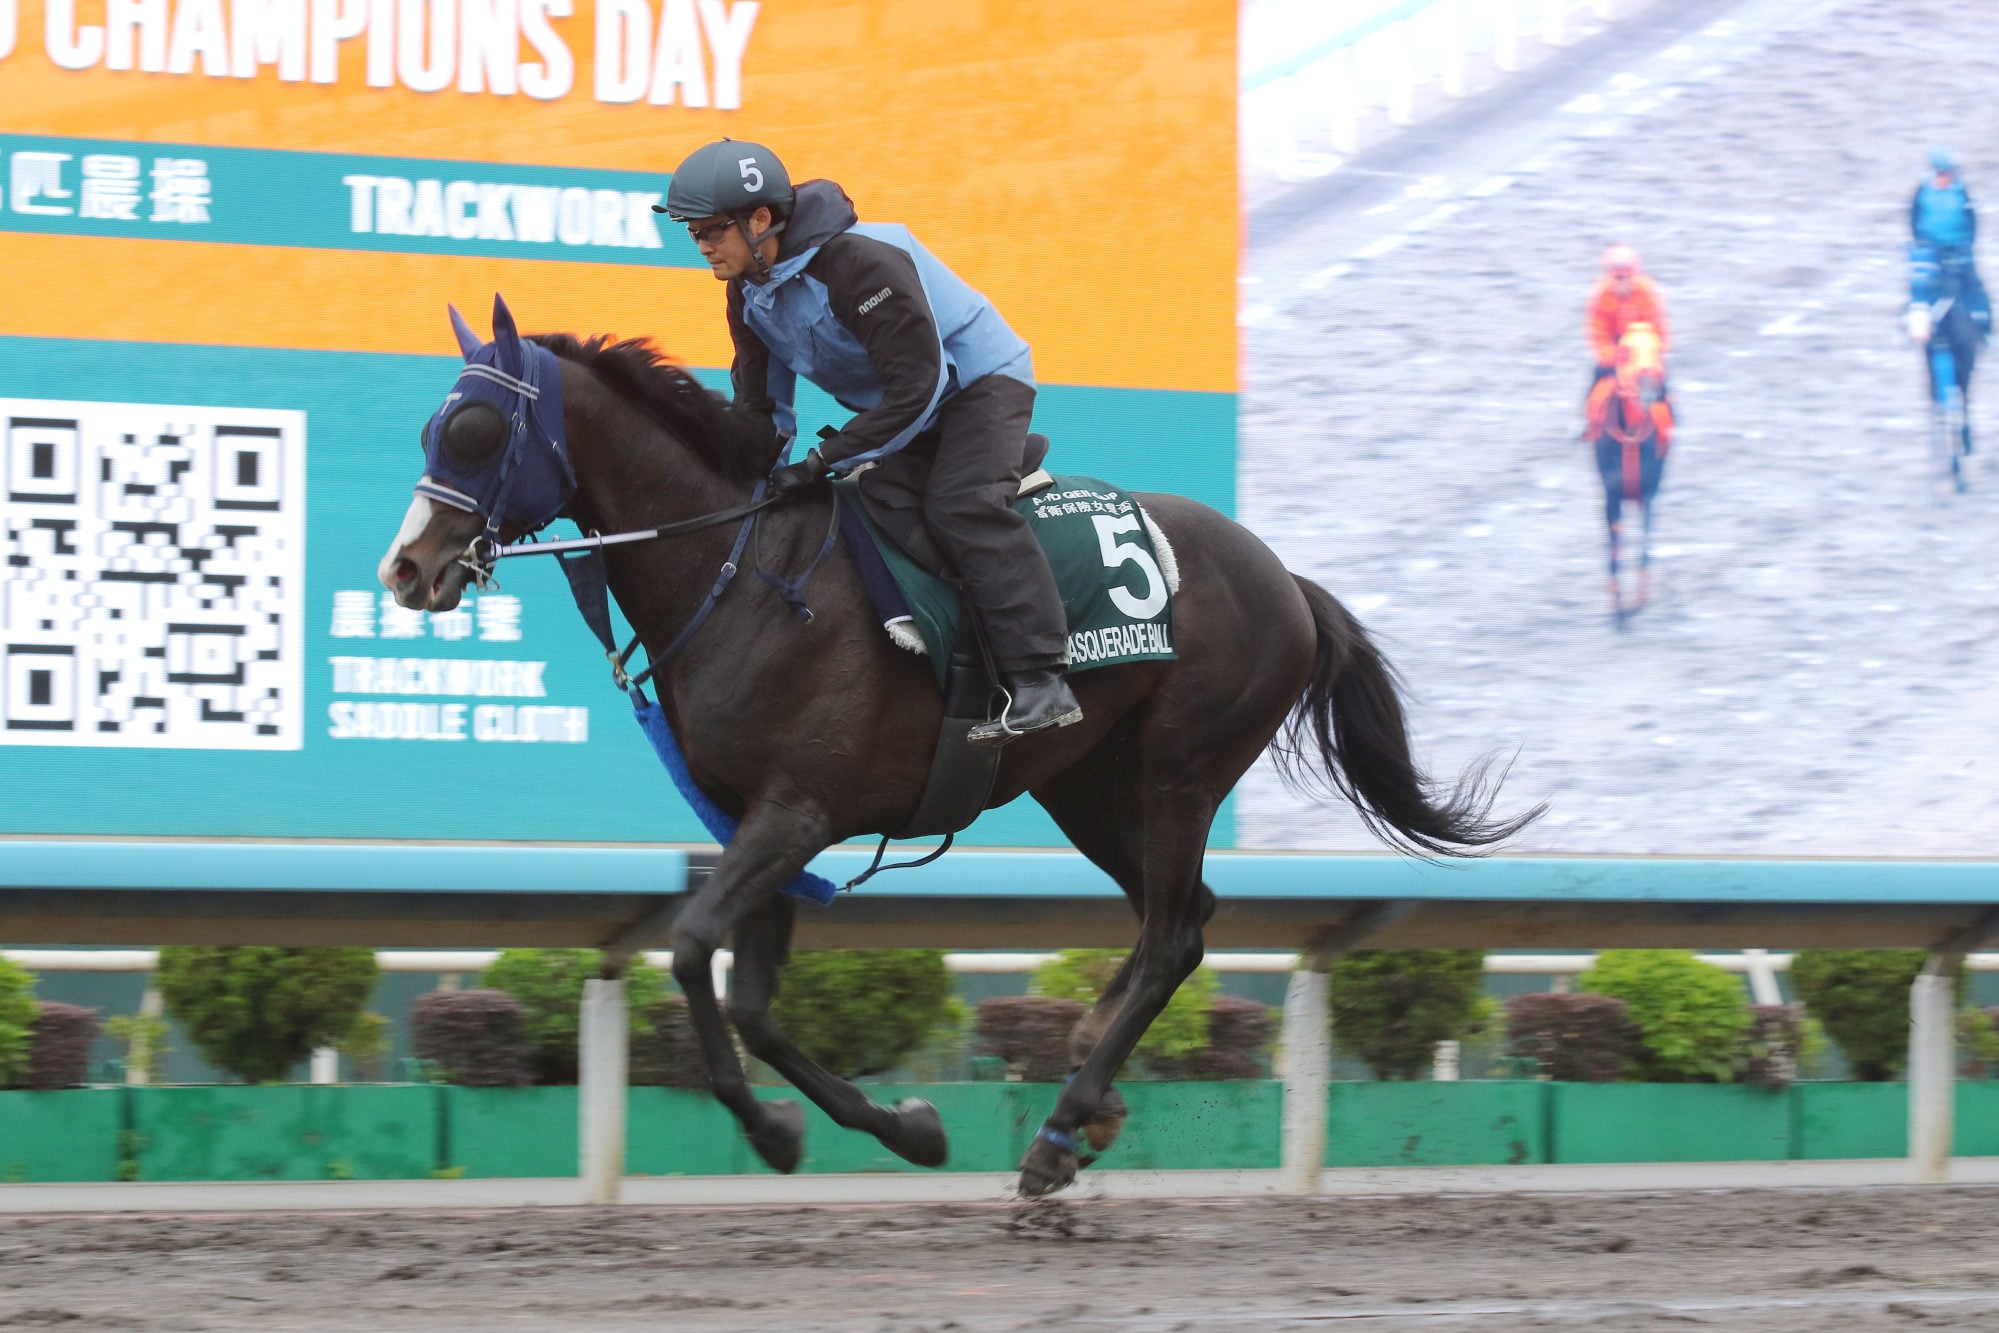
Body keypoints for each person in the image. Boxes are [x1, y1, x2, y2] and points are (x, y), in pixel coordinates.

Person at [657, 139, 1080, 748]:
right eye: (692, 234)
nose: (702, 247)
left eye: (711, 231)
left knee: (961, 504)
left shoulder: (860, 263)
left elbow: (919, 386)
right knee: (868, 501)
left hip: (979, 387)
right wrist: (743, 476)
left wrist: (825, 458)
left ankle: (1043, 681)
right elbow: (763, 410)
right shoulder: (747, 291)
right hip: (911, 406)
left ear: (759, 221)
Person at [1910, 146, 1991, 339]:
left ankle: (1985, 328)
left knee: (1972, 286)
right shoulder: (1923, 191)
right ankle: (1918, 325)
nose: (1945, 176)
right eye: (1941, 172)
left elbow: (1972, 219)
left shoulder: (1960, 191)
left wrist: (1967, 243)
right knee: (1922, 287)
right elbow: (1914, 217)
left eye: (1948, 172)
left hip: (1958, 247)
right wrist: (1921, 243)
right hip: (1931, 248)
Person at [1586, 244, 1670, 396]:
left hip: (1644, 352)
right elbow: (1599, 334)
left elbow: (1658, 330)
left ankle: (1669, 416)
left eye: (1627, 275)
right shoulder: (1601, 296)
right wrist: (1614, 356)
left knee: (1662, 392)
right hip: (1615, 351)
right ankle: (1589, 417)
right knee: (1595, 392)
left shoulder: (1647, 292)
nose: (1622, 281)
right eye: (1617, 277)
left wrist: (1650, 353)